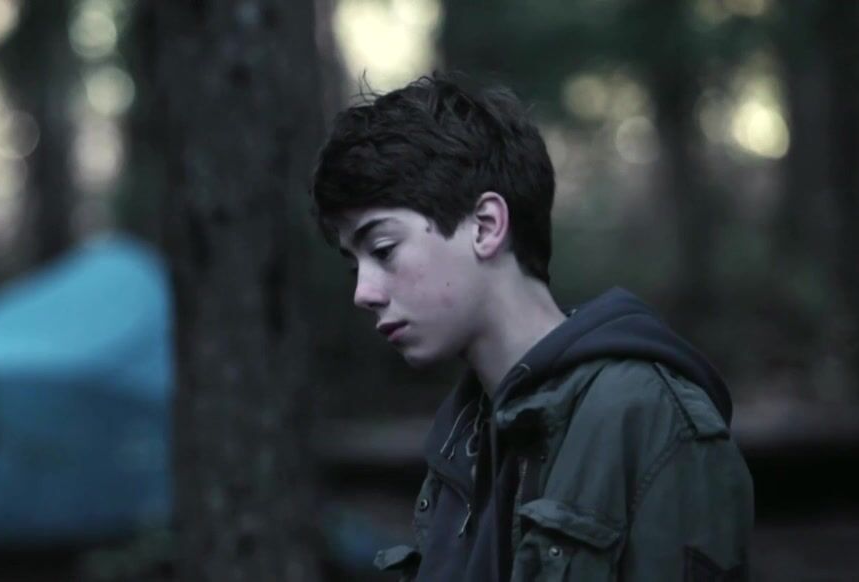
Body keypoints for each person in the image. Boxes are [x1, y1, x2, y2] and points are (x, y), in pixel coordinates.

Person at [308, 74, 753, 581]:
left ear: (485, 226)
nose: (363, 292)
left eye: (383, 249)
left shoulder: (646, 419)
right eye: (355, 265)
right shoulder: (461, 442)